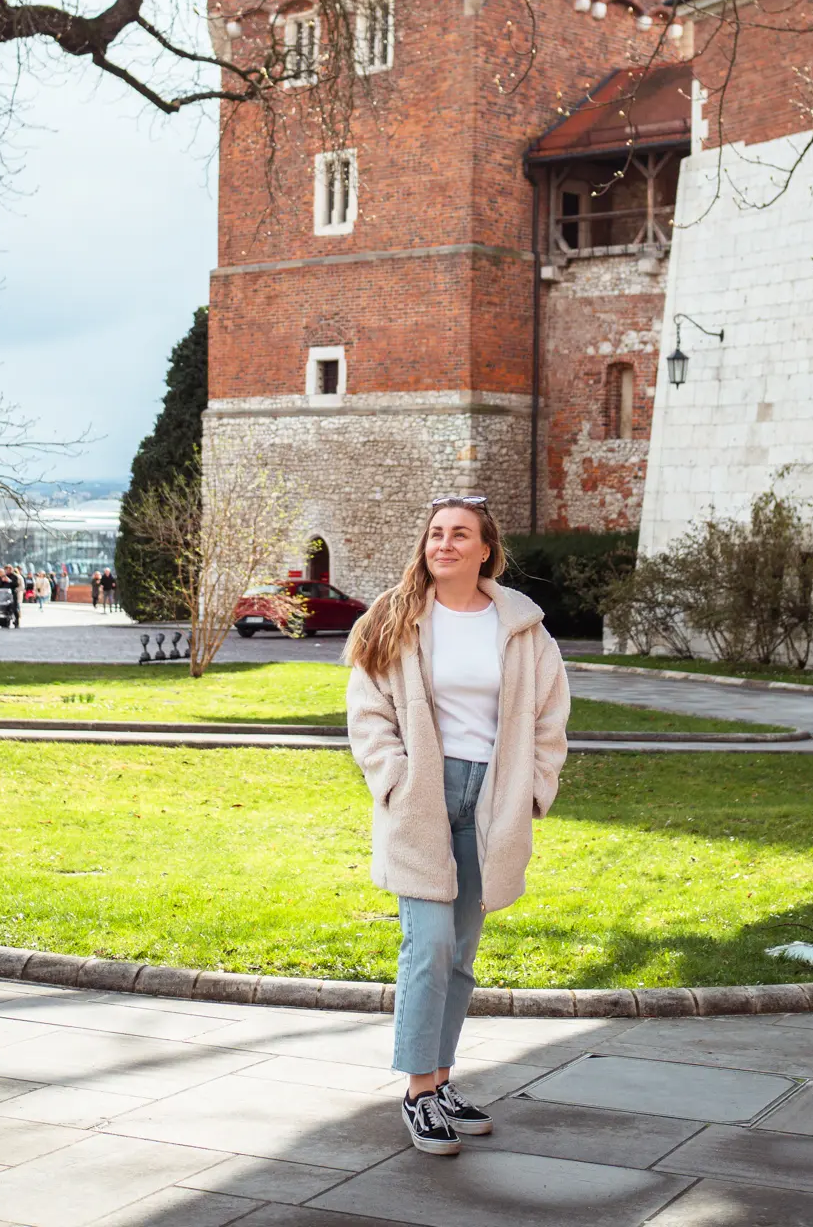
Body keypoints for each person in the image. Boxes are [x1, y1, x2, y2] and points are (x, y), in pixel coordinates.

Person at [346, 495, 570, 1157]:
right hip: (423, 794)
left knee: (463, 954)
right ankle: (418, 1093)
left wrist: (533, 788)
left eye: (459, 534)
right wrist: (393, 779)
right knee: (431, 943)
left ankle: (441, 1082)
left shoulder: (523, 628)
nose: (444, 543)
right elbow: (367, 710)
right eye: (436, 533)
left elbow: (550, 716)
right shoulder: (394, 618)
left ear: (485, 550)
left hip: (492, 797)